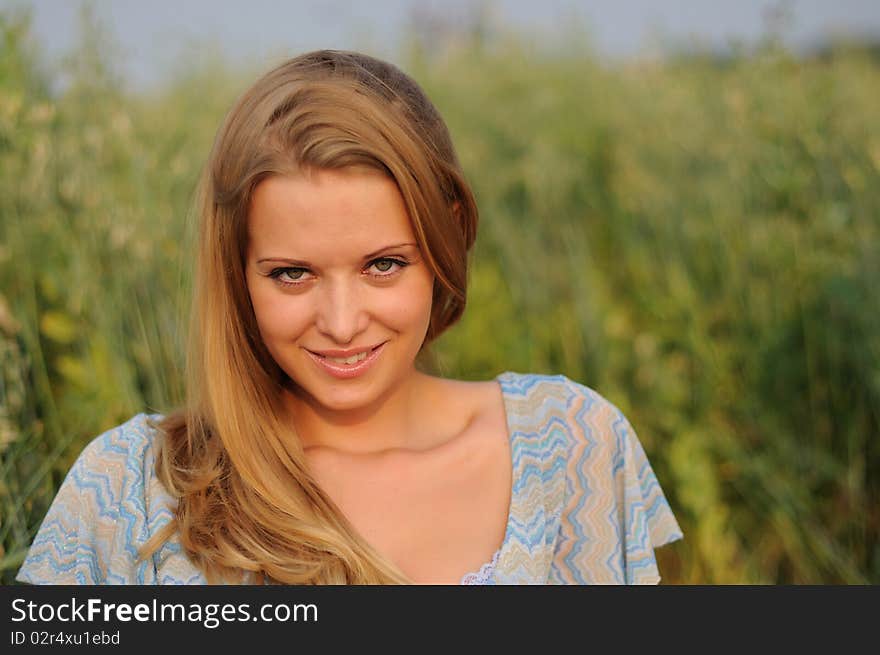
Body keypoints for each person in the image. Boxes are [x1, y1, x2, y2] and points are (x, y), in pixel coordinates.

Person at [16, 49, 682, 585]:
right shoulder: (133, 490)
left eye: (383, 264)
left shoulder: (577, 448)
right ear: (236, 271)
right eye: (291, 273)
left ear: (446, 237)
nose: (340, 323)